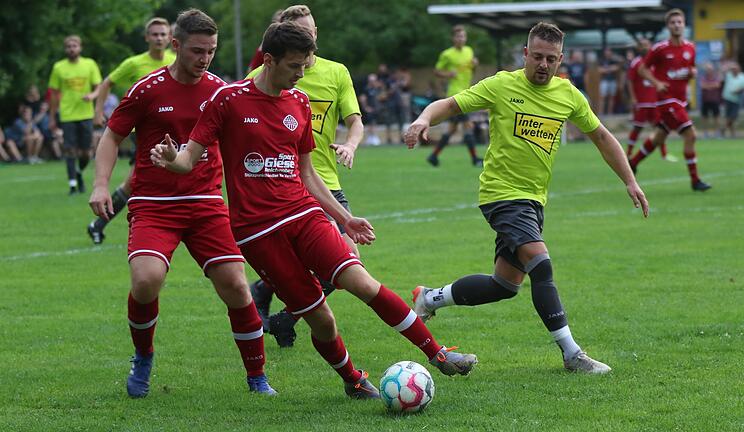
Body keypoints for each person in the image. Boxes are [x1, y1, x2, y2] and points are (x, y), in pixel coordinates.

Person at [151, 20, 478, 398]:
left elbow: (307, 173)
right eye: (294, 66)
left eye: (305, 65)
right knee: (321, 319)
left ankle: (438, 355)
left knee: (363, 282)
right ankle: (353, 380)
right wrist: (172, 157)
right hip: (258, 232)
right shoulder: (229, 100)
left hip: (304, 213)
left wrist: (345, 218)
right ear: (269, 61)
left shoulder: (299, 102)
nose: (301, 74)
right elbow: (188, 160)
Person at [405, 22, 649, 374]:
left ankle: (429, 297)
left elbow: (602, 137)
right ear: (525, 54)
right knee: (541, 264)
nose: (543, 65)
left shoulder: (568, 95)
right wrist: (423, 119)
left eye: (551, 59)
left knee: (504, 285)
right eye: (537, 57)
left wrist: (630, 180)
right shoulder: (502, 85)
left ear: (561, 59)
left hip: (534, 200)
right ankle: (572, 354)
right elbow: (451, 103)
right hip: (501, 195)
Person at [88, 8, 275, 398]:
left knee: (237, 287)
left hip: (206, 204)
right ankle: (143, 355)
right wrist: (101, 186)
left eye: (210, 51)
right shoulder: (147, 89)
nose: (204, 59)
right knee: (145, 281)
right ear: (176, 46)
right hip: (154, 204)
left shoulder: (220, 92)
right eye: (196, 51)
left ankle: (257, 377)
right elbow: (111, 137)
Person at [244, 4, 365, 347]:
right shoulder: (262, 77)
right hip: (283, 187)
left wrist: (351, 145)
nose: (310, 39)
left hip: (325, 183)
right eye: (302, 34)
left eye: (313, 33)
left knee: (348, 260)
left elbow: (354, 120)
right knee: (322, 262)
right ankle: (277, 300)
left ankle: (282, 311)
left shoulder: (336, 72)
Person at [85, 17, 176, 245]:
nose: (159, 38)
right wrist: (98, 112)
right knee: (137, 182)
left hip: (172, 131)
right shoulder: (134, 63)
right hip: (142, 132)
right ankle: (138, 228)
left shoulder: (176, 60)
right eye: (154, 34)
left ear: (170, 38)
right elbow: (107, 83)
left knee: (141, 181)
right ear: (146, 38)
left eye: (163, 34)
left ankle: (102, 224)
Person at [629, 9, 711, 192]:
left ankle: (632, 163)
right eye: (673, 22)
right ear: (668, 26)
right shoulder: (660, 48)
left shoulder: (690, 47)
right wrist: (656, 83)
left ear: (684, 25)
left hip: (680, 100)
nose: (676, 25)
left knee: (659, 137)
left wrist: (692, 73)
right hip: (667, 101)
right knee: (691, 135)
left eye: (679, 22)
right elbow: (642, 69)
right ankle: (695, 180)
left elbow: (688, 69)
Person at [48, 35, 102, 194]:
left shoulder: (89, 64)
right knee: (70, 150)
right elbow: (53, 94)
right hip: (67, 114)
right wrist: (52, 117)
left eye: (74, 46)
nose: (71, 49)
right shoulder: (59, 67)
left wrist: (92, 96)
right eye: (68, 46)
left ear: (80, 47)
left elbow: (99, 86)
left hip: (85, 114)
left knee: (86, 152)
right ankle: (72, 185)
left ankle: (79, 172)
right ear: (65, 49)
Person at [427, 25, 482, 167]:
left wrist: (475, 65)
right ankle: (475, 159)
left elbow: (472, 71)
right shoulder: (447, 54)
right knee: (468, 126)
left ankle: (434, 156)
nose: (461, 39)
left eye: (463, 36)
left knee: (452, 129)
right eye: (458, 36)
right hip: (455, 94)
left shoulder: (469, 51)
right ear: (453, 39)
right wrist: (448, 74)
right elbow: (436, 71)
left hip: (467, 91)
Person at [625, 38, 674, 161]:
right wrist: (633, 98)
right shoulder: (636, 62)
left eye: (646, 45)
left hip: (655, 102)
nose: (644, 47)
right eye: (642, 45)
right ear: (638, 48)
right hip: (642, 102)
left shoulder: (654, 62)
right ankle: (628, 153)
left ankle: (664, 154)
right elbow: (630, 81)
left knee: (661, 128)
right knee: (637, 128)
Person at [722, 63, 744, 138]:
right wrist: (730, 66)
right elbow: (723, 70)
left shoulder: (743, 77)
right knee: (728, 116)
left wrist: (737, 91)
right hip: (727, 98)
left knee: (733, 116)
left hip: (736, 99)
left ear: (739, 69)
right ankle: (732, 133)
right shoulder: (729, 75)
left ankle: (723, 129)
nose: (734, 70)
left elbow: (743, 87)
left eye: (736, 69)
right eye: (733, 69)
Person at [699, 62, 723, 138]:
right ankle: (705, 133)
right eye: (708, 69)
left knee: (717, 117)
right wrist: (712, 85)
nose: (709, 71)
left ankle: (717, 132)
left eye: (710, 69)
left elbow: (718, 85)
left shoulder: (716, 77)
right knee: (705, 117)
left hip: (714, 100)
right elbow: (702, 86)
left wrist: (708, 86)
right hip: (705, 100)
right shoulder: (703, 77)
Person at [598, 47, 621, 115]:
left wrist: (606, 69)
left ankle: (609, 113)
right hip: (604, 81)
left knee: (611, 97)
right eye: (606, 51)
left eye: (609, 51)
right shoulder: (602, 60)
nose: (608, 53)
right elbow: (599, 70)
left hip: (612, 80)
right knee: (602, 97)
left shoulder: (613, 60)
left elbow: (617, 68)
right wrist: (610, 68)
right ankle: (601, 112)